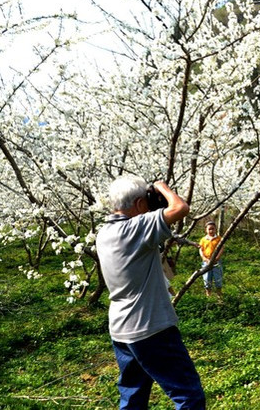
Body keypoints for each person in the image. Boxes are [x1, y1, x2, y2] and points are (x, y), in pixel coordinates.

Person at [96, 175, 205, 409]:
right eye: (146, 201)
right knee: (189, 397)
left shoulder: (103, 233)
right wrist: (160, 187)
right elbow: (180, 208)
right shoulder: (135, 229)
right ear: (138, 204)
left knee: (132, 397)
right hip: (150, 328)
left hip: (121, 330)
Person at [198, 220, 224, 300]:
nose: (211, 230)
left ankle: (219, 297)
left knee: (218, 279)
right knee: (206, 279)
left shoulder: (219, 238)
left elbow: (222, 248)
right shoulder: (203, 239)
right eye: (209, 229)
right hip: (206, 262)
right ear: (206, 230)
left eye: (213, 229)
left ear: (215, 229)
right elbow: (200, 249)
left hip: (216, 262)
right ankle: (208, 297)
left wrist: (217, 258)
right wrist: (204, 258)